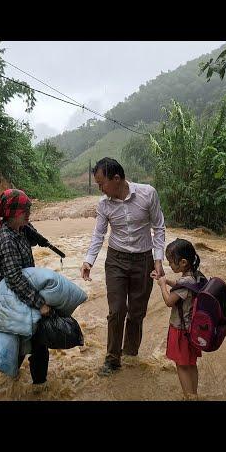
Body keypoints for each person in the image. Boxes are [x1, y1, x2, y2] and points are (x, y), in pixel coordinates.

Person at [81, 157, 166, 376]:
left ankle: (130, 354)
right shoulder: (104, 204)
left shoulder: (148, 194)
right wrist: (89, 260)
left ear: (116, 178)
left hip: (143, 261)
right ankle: (112, 359)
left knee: (137, 312)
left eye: (102, 184)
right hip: (116, 261)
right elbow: (99, 233)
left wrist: (158, 259)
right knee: (117, 310)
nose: (101, 189)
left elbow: (158, 226)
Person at [0, 188, 52, 387]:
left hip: (20, 296)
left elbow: (33, 240)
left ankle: (16, 385)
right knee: (34, 344)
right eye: (24, 212)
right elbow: (15, 278)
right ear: (10, 213)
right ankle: (34, 388)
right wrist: (39, 303)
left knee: (25, 343)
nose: (28, 215)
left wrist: (30, 230)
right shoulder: (6, 238)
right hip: (11, 299)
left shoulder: (19, 230)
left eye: (29, 211)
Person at [151, 238, 207, 400]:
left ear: (183, 262)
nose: (169, 265)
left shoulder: (184, 283)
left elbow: (169, 301)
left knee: (181, 366)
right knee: (191, 363)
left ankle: (188, 397)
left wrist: (162, 286)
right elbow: (181, 286)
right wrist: (165, 280)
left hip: (181, 331)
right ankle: (194, 394)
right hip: (193, 330)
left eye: (171, 262)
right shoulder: (196, 277)